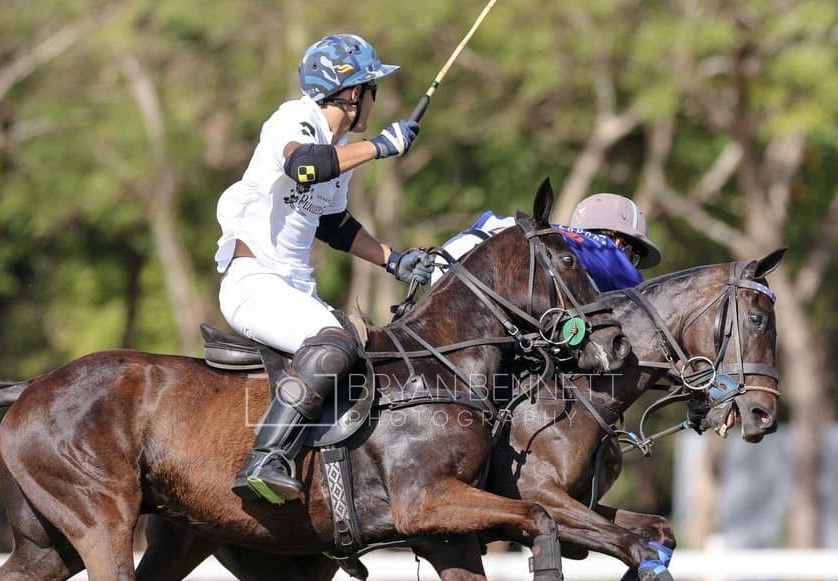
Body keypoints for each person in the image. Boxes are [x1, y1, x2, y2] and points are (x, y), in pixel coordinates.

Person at [215, 33, 436, 505]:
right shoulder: (294, 119)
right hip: (254, 282)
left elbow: (334, 225)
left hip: (295, 289)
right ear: (354, 92)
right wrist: (380, 145)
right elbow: (305, 167)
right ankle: (265, 459)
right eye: (373, 88)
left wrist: (394, 260)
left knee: (368, 351)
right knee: (336, 342)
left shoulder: (341, 149)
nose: (375, 99)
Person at [438, 192, 662, 291]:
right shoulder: (609, 251)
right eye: (634, 256)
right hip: (490, 278)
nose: (631, 263)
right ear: (620, 241)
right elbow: (646, 314)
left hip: (452, 255)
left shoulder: (557, 234)